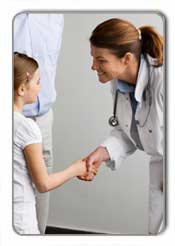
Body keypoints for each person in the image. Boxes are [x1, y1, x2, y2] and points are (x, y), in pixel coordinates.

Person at [79, 18, 164, 234]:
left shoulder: (164, 81)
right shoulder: (119, 84)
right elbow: (130, 129)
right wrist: (104, 151)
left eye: (100, 60)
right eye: (93, 58)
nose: (93, 66)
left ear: (126, 58)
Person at [13, 53, 96, 234]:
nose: (40, 88)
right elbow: (43, 184)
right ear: (21, 89)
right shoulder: (27, 128)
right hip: (19, 219)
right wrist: (76, 168)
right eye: (38, 82)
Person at [13, 13, 64, 234]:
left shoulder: (54, 15)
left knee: (38, 190)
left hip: (42, 117)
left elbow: (43, 184)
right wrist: (78, 168)